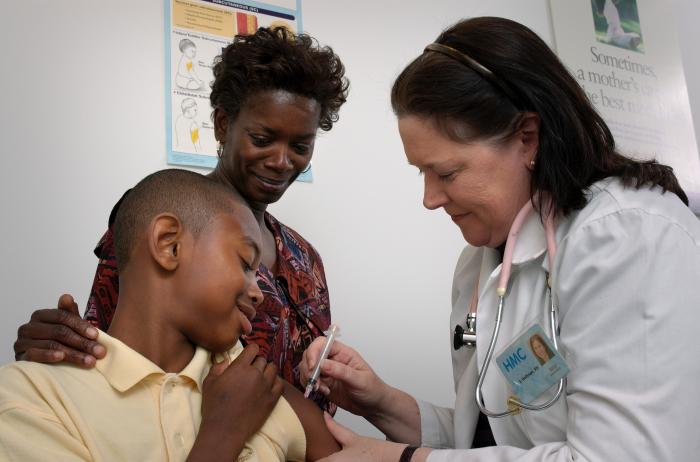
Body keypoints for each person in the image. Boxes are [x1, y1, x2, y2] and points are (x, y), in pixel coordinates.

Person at [300, 16, 700, 462]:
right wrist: (380, 401)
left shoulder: (628, 238)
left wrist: (405, 459)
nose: (429, 199)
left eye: (447, 173)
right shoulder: (482, 263)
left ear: (527, 138)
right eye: (422, 172)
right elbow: (497, 439)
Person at [13, 26, 349, 412]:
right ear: (223, 124)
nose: (281, 161)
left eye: (300, 146)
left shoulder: (305, 260)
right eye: (262, 139)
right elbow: (107, 355)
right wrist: (60, 348)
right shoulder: (160, 218)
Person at [0, 169, 340, 461]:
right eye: (244, 263)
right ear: (169, 244)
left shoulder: (254, 386)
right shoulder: (35, 395)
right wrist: (223, 435)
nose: (257, 292)